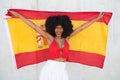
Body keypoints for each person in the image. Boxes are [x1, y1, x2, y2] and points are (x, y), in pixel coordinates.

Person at [8, 10, 104, 80]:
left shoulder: (67, 38)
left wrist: (97, 18)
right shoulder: (50, 38)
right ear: (53, 29)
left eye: (61, 28)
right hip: (50, 68)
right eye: (56, 28)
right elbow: (33, 26)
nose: (59, 30)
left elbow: (81, 28)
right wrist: (18, 15)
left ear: (64, 28)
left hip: (62, 69)